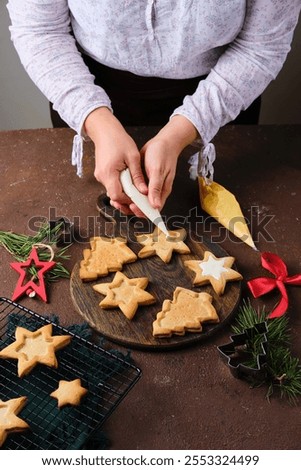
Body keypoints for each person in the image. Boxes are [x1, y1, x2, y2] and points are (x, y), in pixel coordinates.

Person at [6, 1, 300, 218]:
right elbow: (40, 28)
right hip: (86, 95)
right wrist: (98, 123)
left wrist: (181, 131)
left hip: (220, 104)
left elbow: (262, 46)